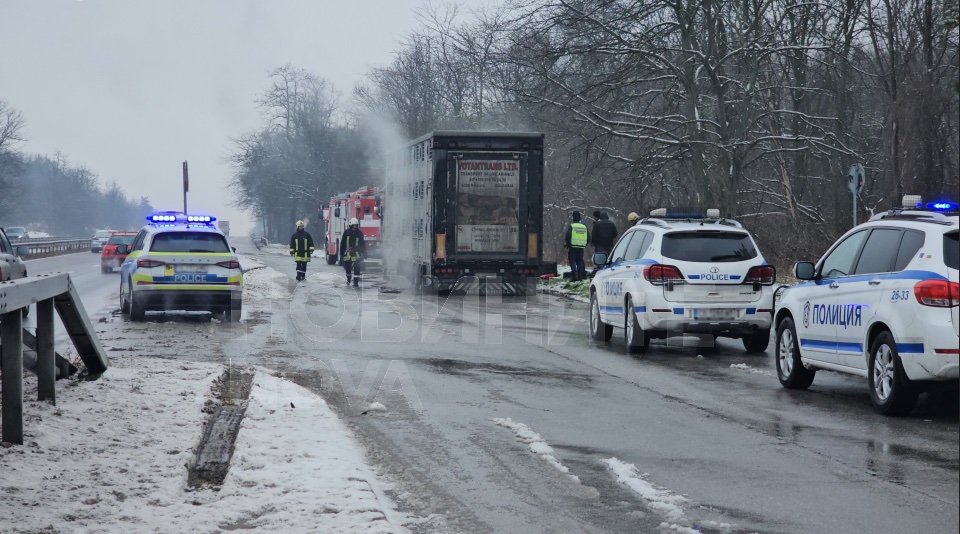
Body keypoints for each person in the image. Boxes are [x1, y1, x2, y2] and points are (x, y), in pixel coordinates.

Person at [340, 218, 366, 287]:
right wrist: (341, 253)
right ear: (351, 225)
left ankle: (355, 282)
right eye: (354, 225)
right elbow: (342, 243)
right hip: (348, 254)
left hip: (356, 253)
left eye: (356, 225)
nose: (355, 226)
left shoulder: (359, 233)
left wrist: (364, 253)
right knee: (347, 267)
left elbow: (362, 244)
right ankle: (348, 278)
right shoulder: (346, 232)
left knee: (357, 268)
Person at [564, 211, 589, 281]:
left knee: (572, 260)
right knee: (580, 260)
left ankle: (574, 274)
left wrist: (568, 243)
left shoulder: (572, 226)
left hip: (573, 247)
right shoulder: (584, 227)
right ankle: (580, 275)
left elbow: (568, 236)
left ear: (573, 218)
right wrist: (584, 243)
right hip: (581, 247)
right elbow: (588, 237)